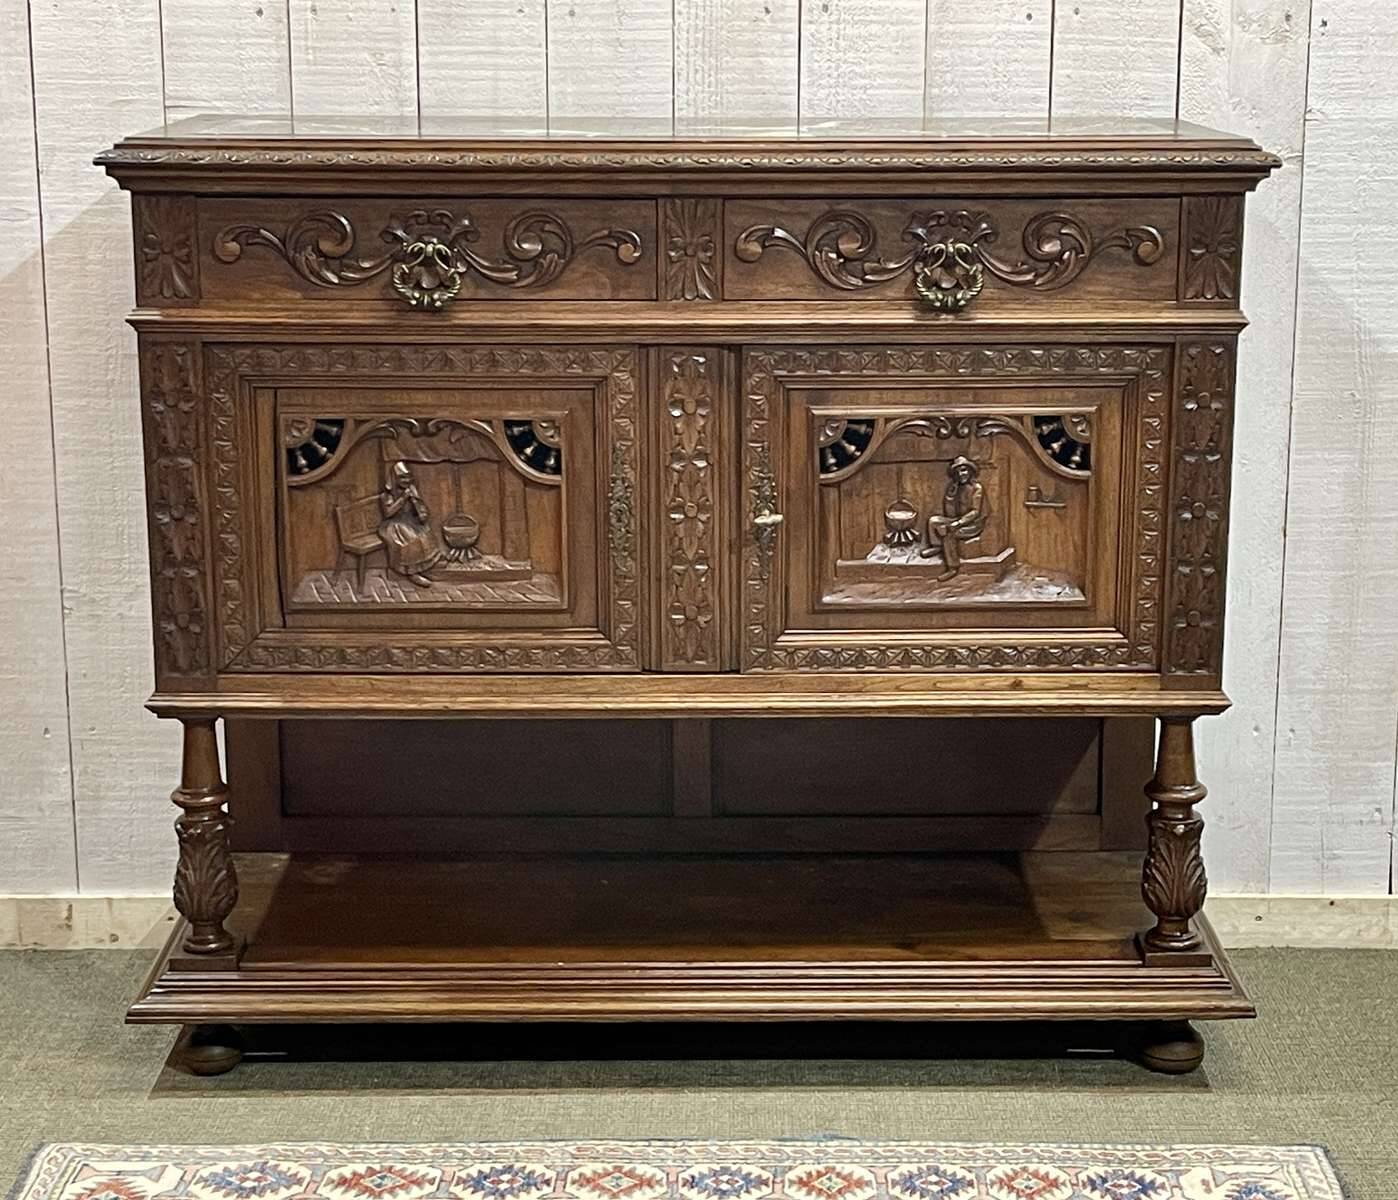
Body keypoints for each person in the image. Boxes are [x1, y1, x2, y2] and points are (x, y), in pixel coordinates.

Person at [922, 456, 986, 581]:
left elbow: (975, 512)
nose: (961, 474)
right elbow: (950, 513)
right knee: (933, 521)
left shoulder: (977, 488)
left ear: (970, 471)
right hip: (958, 519)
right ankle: (938, 546)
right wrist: (950, 497)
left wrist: (957, 524)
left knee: (949, 534)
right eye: (958, 472)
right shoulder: (956, 487)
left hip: (973, 524)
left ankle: (953, 567)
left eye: (964, 470)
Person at [378, 461, 441, 586]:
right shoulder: (386, 495)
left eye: (408, 477)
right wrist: (403, 498)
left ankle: (426, 564)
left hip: (409, 520)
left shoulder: (411, 490)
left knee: (425, 531)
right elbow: (388, 513)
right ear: (394, 479)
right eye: (402, 477)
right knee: (411, 539)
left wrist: (421, 512)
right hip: (394, 524)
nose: (406, 480)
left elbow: (420, 505)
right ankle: (411, 572)